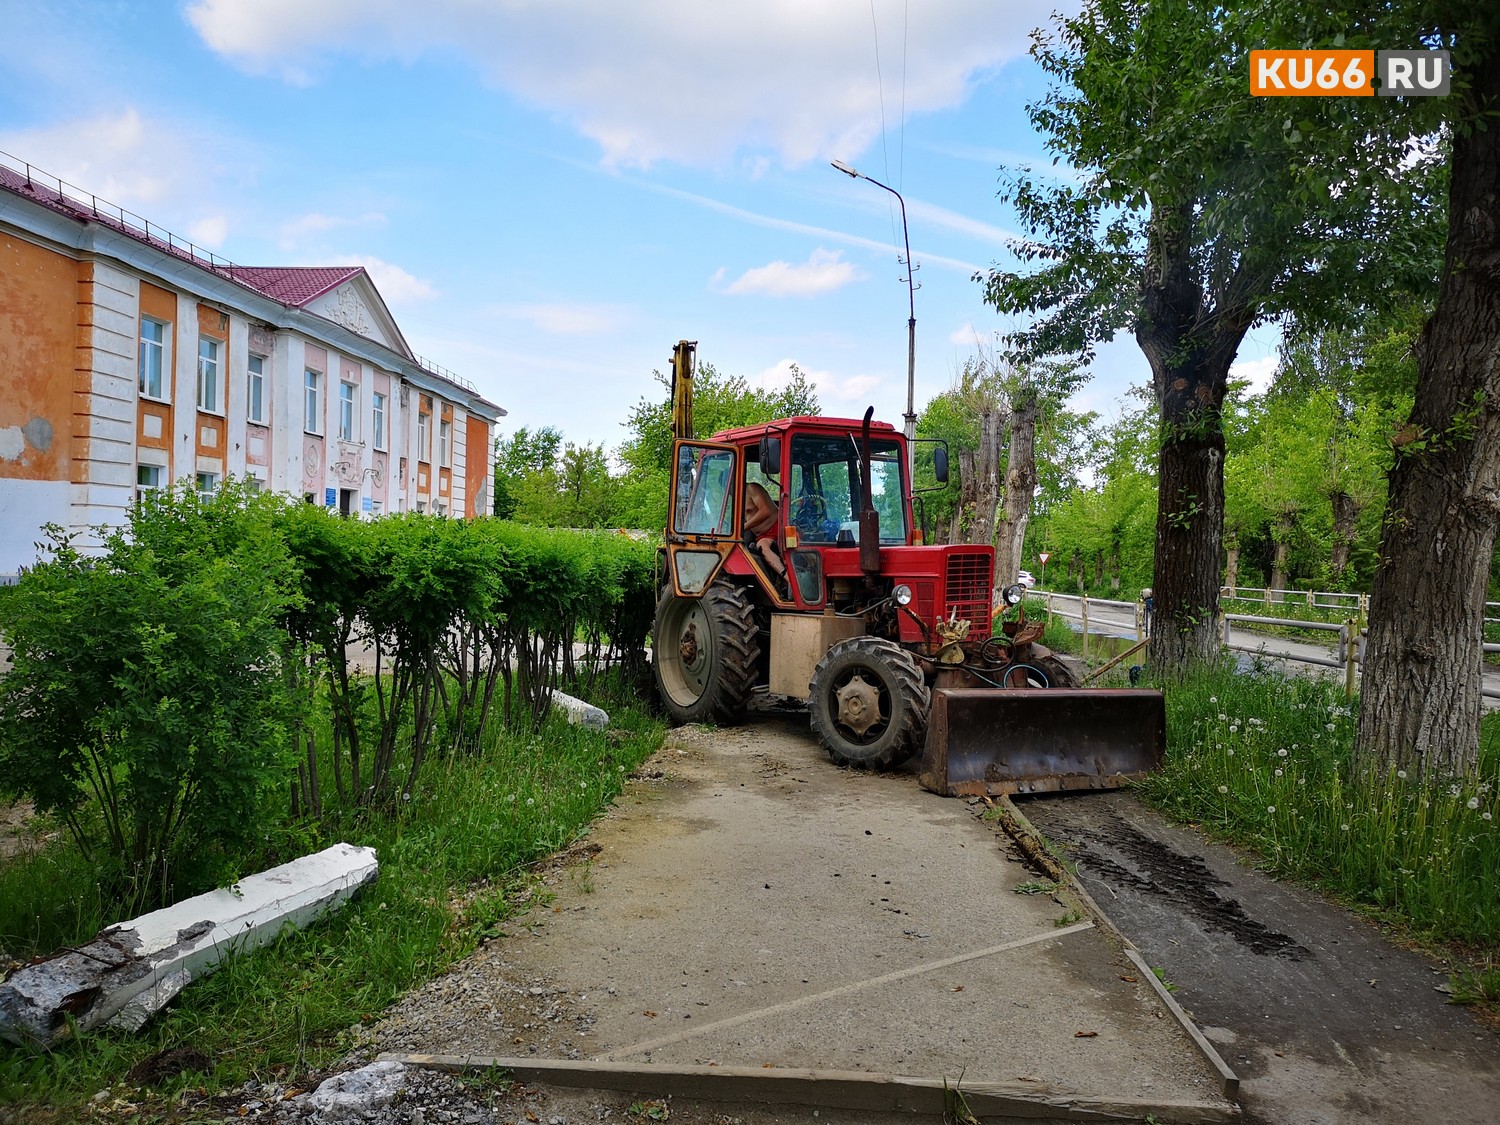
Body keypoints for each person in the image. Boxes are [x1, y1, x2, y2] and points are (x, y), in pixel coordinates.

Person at [743, 481, 786, 579]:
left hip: (776, 527)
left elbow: (765, 510)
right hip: (762, 535)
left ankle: (787, 578)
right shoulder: (737, 498)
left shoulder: (751, 488)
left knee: (763, 548)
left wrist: (745, 527)